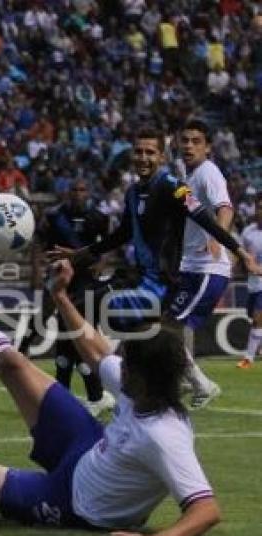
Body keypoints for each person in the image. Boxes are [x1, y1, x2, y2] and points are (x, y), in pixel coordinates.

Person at [0, 259, 221, 536]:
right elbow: (95, 350)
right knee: (14, 362)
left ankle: (6, 499)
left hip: (74, 504)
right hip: (84, 447)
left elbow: (205, 509)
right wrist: (60, 296)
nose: (119, 366)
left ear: (145, 375)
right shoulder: (137, 388)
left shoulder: (164, 435)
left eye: (127, 363)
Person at [48, 128, 262, 409]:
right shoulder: (133, 192)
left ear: (161, 156)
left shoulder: (176, 187)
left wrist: (240, 252)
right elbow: (120, 235)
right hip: (138, 280)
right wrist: (79, 255)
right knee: (94, 323)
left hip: (158, 286)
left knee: (85, 307)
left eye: (151, 152)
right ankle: (138, 389)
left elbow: (207, 219)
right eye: (139, 151)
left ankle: (97, 396)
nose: (144, 158)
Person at [21, 179, 114, 416]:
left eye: (82, 189)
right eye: (74, 189)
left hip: (85, 281)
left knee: (76, 336)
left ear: (88, 193)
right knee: (47, 315)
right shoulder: (54, 216)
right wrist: (36, 269)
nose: (78, 193)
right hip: (59, 274)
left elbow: (108, 246)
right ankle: (23, 347)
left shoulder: (98, 218)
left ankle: (84, 396)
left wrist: (101, 264)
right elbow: (38, 243)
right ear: (68, 192)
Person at [166, 119, 234, 405]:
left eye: (196, 141)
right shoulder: (188, 176)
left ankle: (200, 384)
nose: (189, 146)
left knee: (169, 326)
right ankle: (185, 378)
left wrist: (219, 237)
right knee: (167, 326)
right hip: (191, 266)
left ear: (207, 148)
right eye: (185, 140)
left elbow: (225, 208)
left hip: (208, 267)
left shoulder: (208, 173)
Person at [238, 194, 262, 368]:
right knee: (252, 316)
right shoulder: (248, 232)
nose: (261, 211)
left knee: (257, 318)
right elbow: (241, 257)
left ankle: (248, 358)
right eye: (259, 207)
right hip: (253, 284)